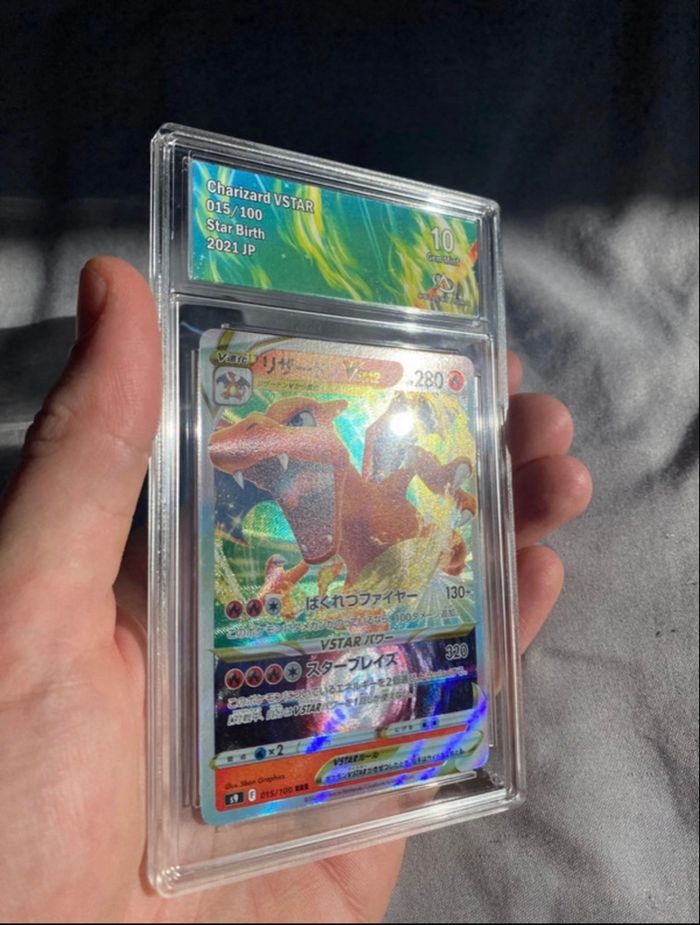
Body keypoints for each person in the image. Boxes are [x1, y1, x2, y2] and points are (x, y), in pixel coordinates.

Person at [0, 258, 592, 923]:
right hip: (332, 636)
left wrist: (439, 482)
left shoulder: (369, 468)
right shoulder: (329, 476)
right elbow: (242, 458)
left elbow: (356, 477)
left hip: (386, 588)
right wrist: (286, 579)